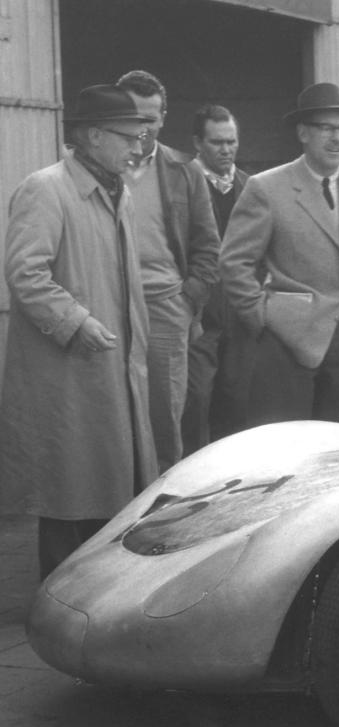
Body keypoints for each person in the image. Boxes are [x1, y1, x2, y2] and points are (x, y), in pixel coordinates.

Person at [0, 85, 159, 577]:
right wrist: (76, 322)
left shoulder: (118, 191)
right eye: (130, 136)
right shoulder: (46, 188)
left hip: (111, 363)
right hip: (70, 369)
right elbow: (26, 272)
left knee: (108, 485)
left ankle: (94, 597)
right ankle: (60, 605)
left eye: (142, 136)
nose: (139, 147)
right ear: (92, 136)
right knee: (70, 489)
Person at [219, 82, 339, 426]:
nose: (338, 138)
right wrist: (263, 317)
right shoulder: (267, 188)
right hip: (287, 341)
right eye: (326, 128)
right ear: (303, 133)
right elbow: (234, 262)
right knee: (287, 452)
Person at [116, 70, 219, 472]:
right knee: (112, 414)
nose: (143, 127)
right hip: (108, 306)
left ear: (163, 118)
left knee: (164, 413)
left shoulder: (184, 170)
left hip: (164, 306)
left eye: (151, 117)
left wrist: (187, 300)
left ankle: (158, 508)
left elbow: (209, 245)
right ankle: (114, 508)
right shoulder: (99, 166)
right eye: (134, 117)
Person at [183, 103, 251, 452]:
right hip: (199, 316)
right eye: (217, 142)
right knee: (195, 402)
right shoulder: (181, 185)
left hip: (241, 317)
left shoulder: (252, 187)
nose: (226, 150)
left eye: (232, 141)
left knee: (238, 404)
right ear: (198, 142)